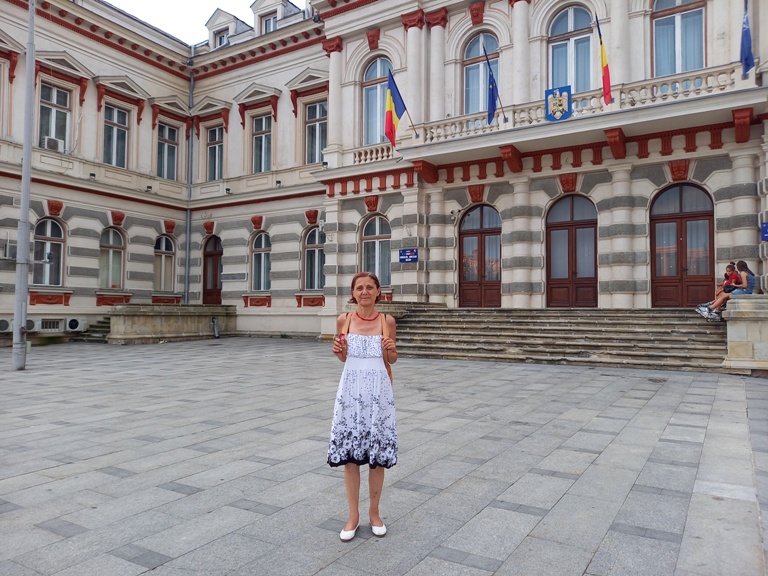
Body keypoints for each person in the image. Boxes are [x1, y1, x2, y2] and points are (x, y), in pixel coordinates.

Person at [328, 272, 398, 541]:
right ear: (353, 293)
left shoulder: (386, 321)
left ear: (379, 291)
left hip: (379, 394)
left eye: (370, 287)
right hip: (350, 392)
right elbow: (343, 357)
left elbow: (392, 358)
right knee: (350, 459)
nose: (364, 292)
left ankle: (374, 514)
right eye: (359, 288)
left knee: (376, 458)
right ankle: (353, 516)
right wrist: (338, 351)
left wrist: (391, 348)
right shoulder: (343, 320)